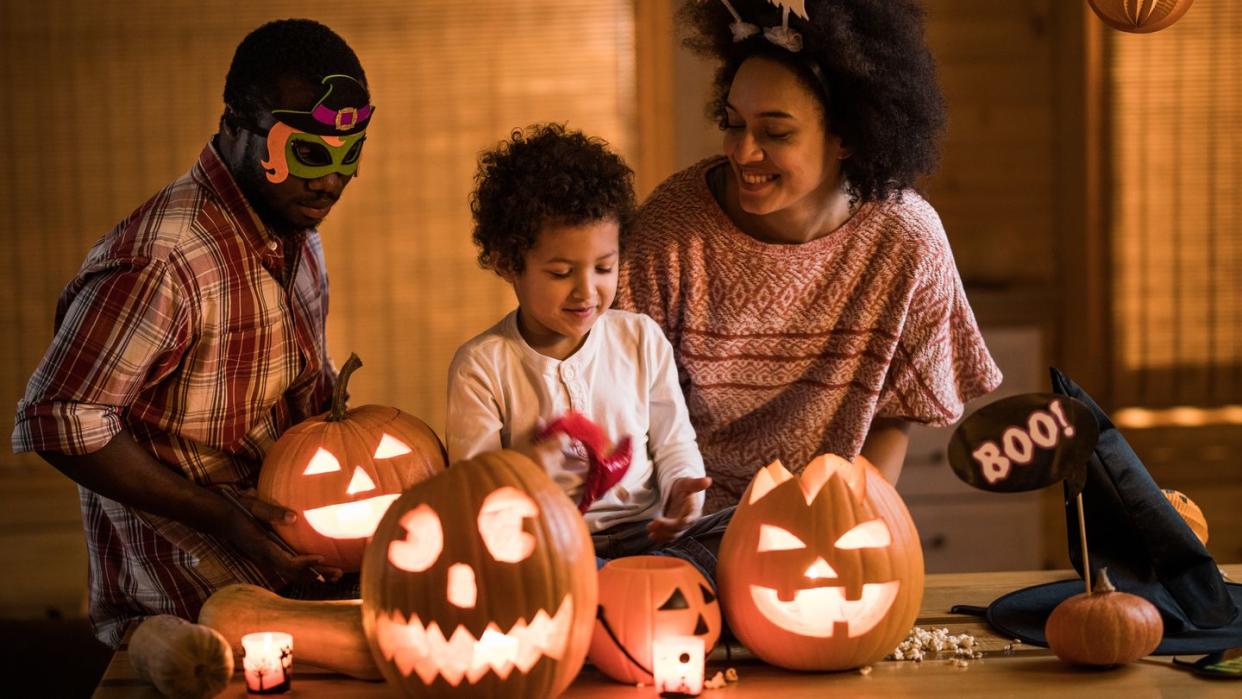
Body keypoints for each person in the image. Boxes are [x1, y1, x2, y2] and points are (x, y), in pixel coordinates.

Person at [11, 19, 375, 648]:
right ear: (236, 126)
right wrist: (218, 514)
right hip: (188, 607)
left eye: (349, 155)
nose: (330, 181)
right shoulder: (165, 260)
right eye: (306, 153)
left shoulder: (296, 233)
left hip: (291, 581)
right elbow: (60, 417)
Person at [617, 0, 1003, 513]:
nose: (743, 151)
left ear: (846, 136)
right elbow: (622, 396)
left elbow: (895, 415)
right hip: (684, 522)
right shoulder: (672, 228)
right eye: (732, 123)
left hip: (832, 521)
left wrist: (851, 516)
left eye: (775, 133)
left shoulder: (907, 239)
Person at [446, 124, 730, 581]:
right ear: (507, 264)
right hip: (553, 548)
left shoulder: (640, 339)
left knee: (743, 530)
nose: (587, 291)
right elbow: (475, 490)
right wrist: (527, 481)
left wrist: (683, 492)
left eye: (604, 268)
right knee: (503, 569)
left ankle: (626, 591)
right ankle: (621, 593)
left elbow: (674, 440)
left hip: (651, 537)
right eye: (560, 272)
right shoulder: (483, 365)